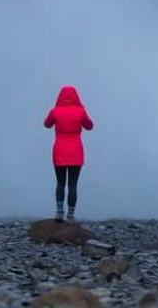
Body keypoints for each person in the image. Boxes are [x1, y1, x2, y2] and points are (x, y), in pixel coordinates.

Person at [44, 85, 94, 222]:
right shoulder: (80, 111)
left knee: (60, 183)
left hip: (59, 149)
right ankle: (71, 214)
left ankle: (59, 212)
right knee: (73, 184)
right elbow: (90, 126)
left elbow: (46, 124)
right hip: (76, 151)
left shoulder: (55, 111)